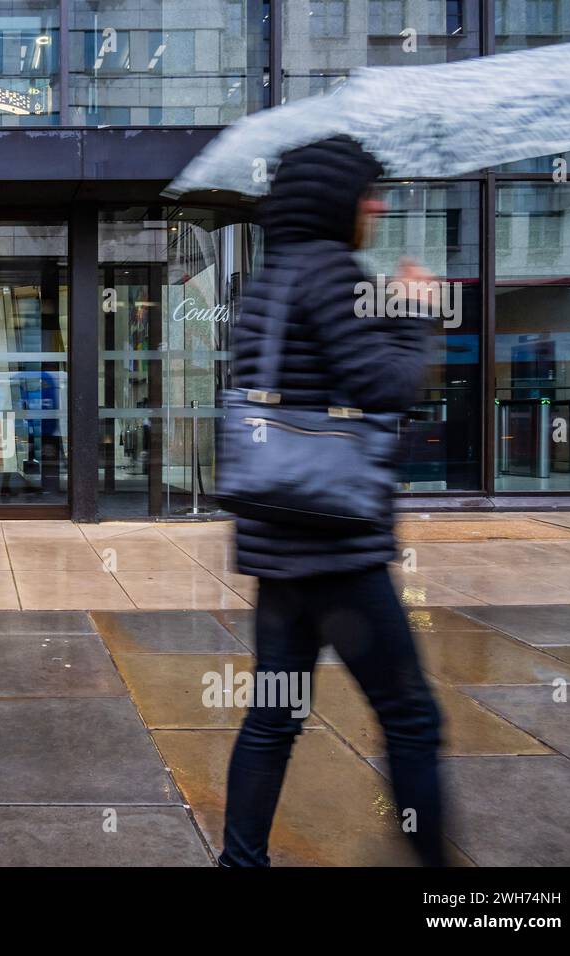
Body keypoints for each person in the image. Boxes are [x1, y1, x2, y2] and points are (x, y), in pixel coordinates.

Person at [220, 136, 446, 867]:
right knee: (411, 718)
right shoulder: (332, 268)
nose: (377, 205)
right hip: (338, 545)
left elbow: (310, 376)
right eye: (368, 193)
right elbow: (384, 388)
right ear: (336, 201)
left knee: (273, 719)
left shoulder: (274, 277)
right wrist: (416, 315)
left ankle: (239, 863)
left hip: (279, 545)